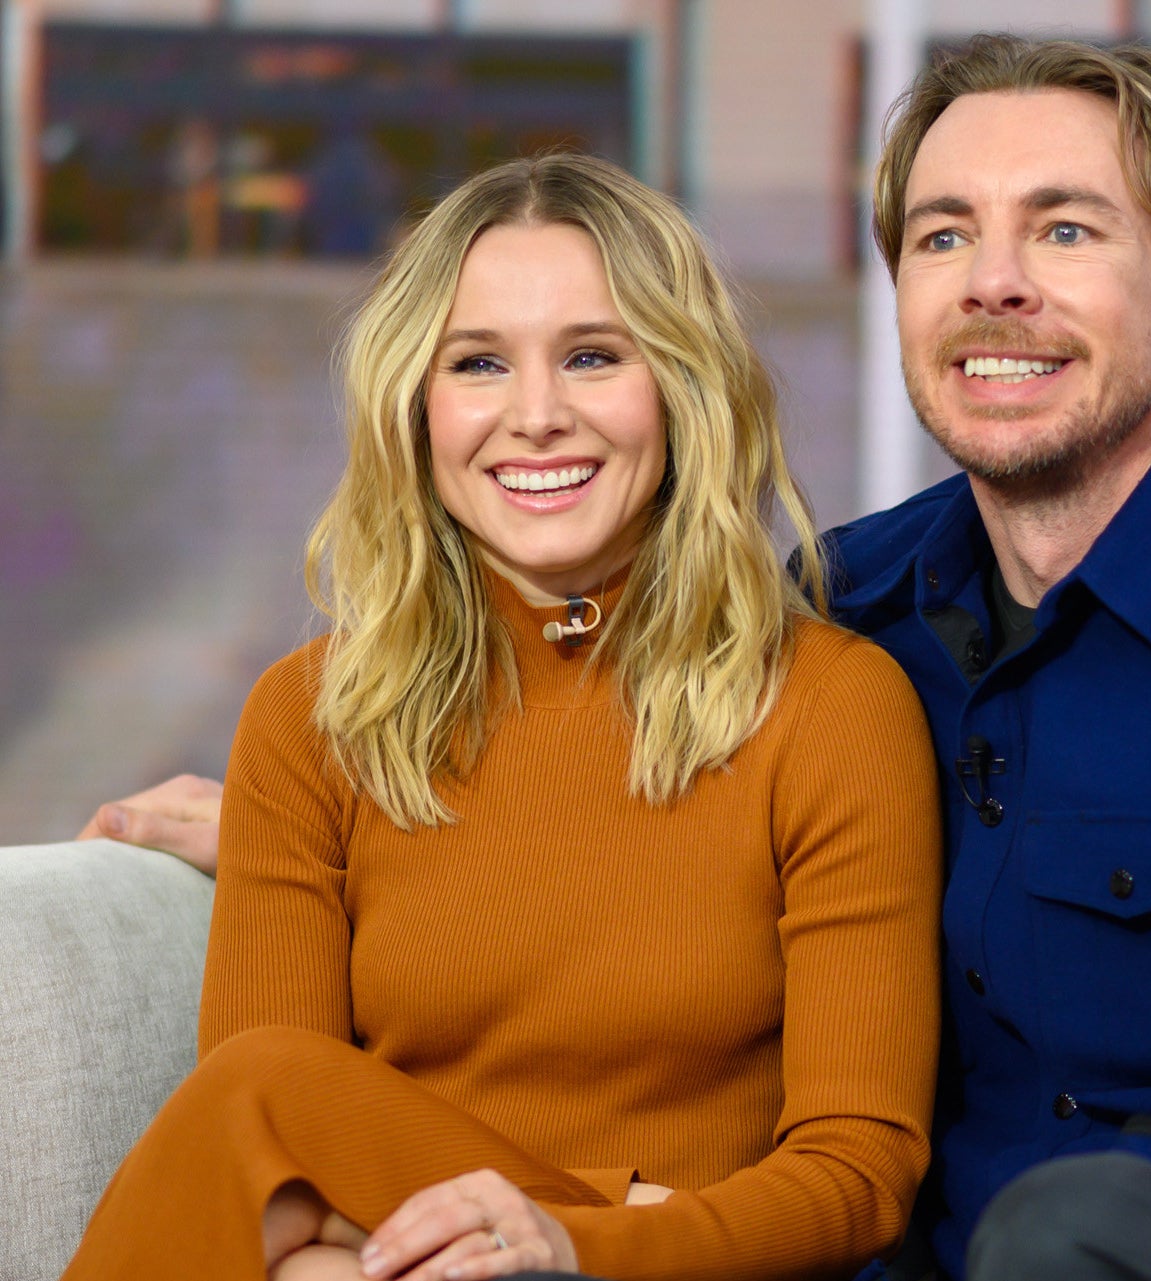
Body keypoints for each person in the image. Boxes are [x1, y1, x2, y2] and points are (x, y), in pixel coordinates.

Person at [85, 35, 1151, 1281]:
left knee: (1083, 1237)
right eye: (942, 234)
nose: (992, 279)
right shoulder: (866, 604)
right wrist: (332, 842)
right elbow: (660, 787)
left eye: (1063, 229)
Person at [63, 151, 941, 1281]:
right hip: (408, 1260)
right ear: (414, 409)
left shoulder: (830, 705)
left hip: (674, 1264)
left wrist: (580, 1243)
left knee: (260, 1094)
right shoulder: (309, 720)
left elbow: (859, 1175)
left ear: (681, 388)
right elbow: (270, 1195)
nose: (536, 416)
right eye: (477, 363)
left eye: (591, 356)